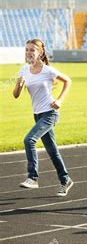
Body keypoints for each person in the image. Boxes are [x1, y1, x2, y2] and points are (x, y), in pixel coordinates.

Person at [13, 39, 74, 197]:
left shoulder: (48, 70)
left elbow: (68, 80)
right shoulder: (24, 70)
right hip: (37, 115)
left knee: (29, 140)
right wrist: (19, 85)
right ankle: (65, 180)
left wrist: (60, 100)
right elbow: (16, 95)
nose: (29, 53)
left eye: (32, 50)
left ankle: (32, 178)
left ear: (40, 52)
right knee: (52, 150)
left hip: (50, 113)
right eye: (27, 50)